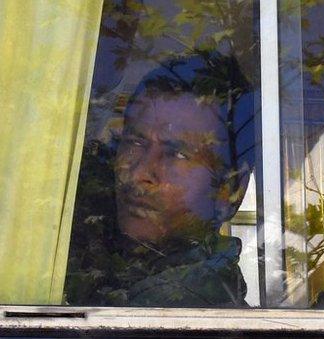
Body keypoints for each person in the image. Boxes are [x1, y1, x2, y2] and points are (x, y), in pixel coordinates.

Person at [64, 51, 255, 307]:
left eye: (176, 153)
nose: (138, 173)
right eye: (134, 141)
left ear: (229, 192)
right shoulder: (71, 266)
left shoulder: (208, 317)